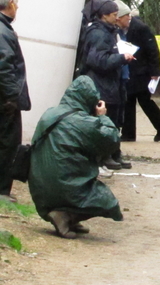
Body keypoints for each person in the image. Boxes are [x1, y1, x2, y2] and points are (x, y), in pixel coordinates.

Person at [28, 76, 123, 239]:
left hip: (39, 188)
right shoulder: (83, 122)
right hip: (64, 186)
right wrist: (102, 117)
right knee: (108, 202)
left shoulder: (50, 113)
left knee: (69, 178)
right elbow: (112, 140)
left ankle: (67, 215)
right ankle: (65, 216)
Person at [78, 0, 135, 170]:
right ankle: (104, 155)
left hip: (110, 82)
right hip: (101, 83)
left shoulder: (107, 31)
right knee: (105, 120)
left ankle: (112, 152)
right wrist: (121, 58)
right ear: (104, 15)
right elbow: (98, 60)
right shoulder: (98, 33)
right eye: (114, 15)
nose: (117, 18)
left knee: (114, 119)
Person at [116, 1, 160, 143]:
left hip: (142, 71)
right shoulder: (120, 29)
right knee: (129, 100)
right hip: (130, 69)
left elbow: (152, 49)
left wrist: (154, 71)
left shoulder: (141, 28)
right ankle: (129, 133)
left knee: (143, 100)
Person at [0, 0, 30, 203]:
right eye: (17, 4)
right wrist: (12, 96)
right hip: (5, 100)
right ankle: (2, 191)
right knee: (7, 143)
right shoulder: (3, 31)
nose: (18, 8)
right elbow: (4, 66)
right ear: (10, 3)